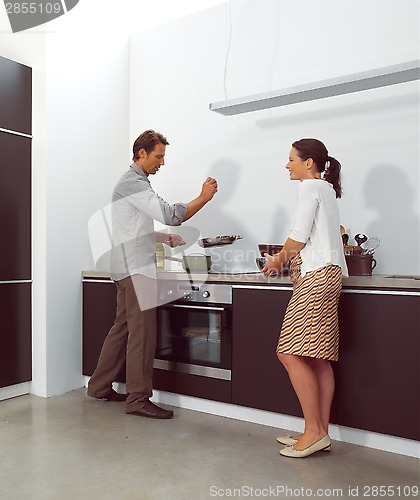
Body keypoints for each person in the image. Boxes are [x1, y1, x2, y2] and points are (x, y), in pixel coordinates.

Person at [87, 130, 218, 419]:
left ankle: (98, 387)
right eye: (158, 156)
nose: (162, 163)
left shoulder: (132, 184)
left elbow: (130, 227)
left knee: (122, 329)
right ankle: (137, 400)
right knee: (142, 335)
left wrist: (161, 238)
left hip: (125, 267)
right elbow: (172, 215)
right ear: (142, 153)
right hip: (136, 270)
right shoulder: (133, 183)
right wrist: (203, 198)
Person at [262, 138, 347, 458]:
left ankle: (313, 431)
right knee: (317, 357)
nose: (287, 165)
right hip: (328, 275)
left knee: (289, 353)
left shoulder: (310, 188)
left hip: (316, 278)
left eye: (291, 160)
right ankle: (319, 431)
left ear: (308, 163)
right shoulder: (326, 189)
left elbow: (299, 234)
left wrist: (277, 260)